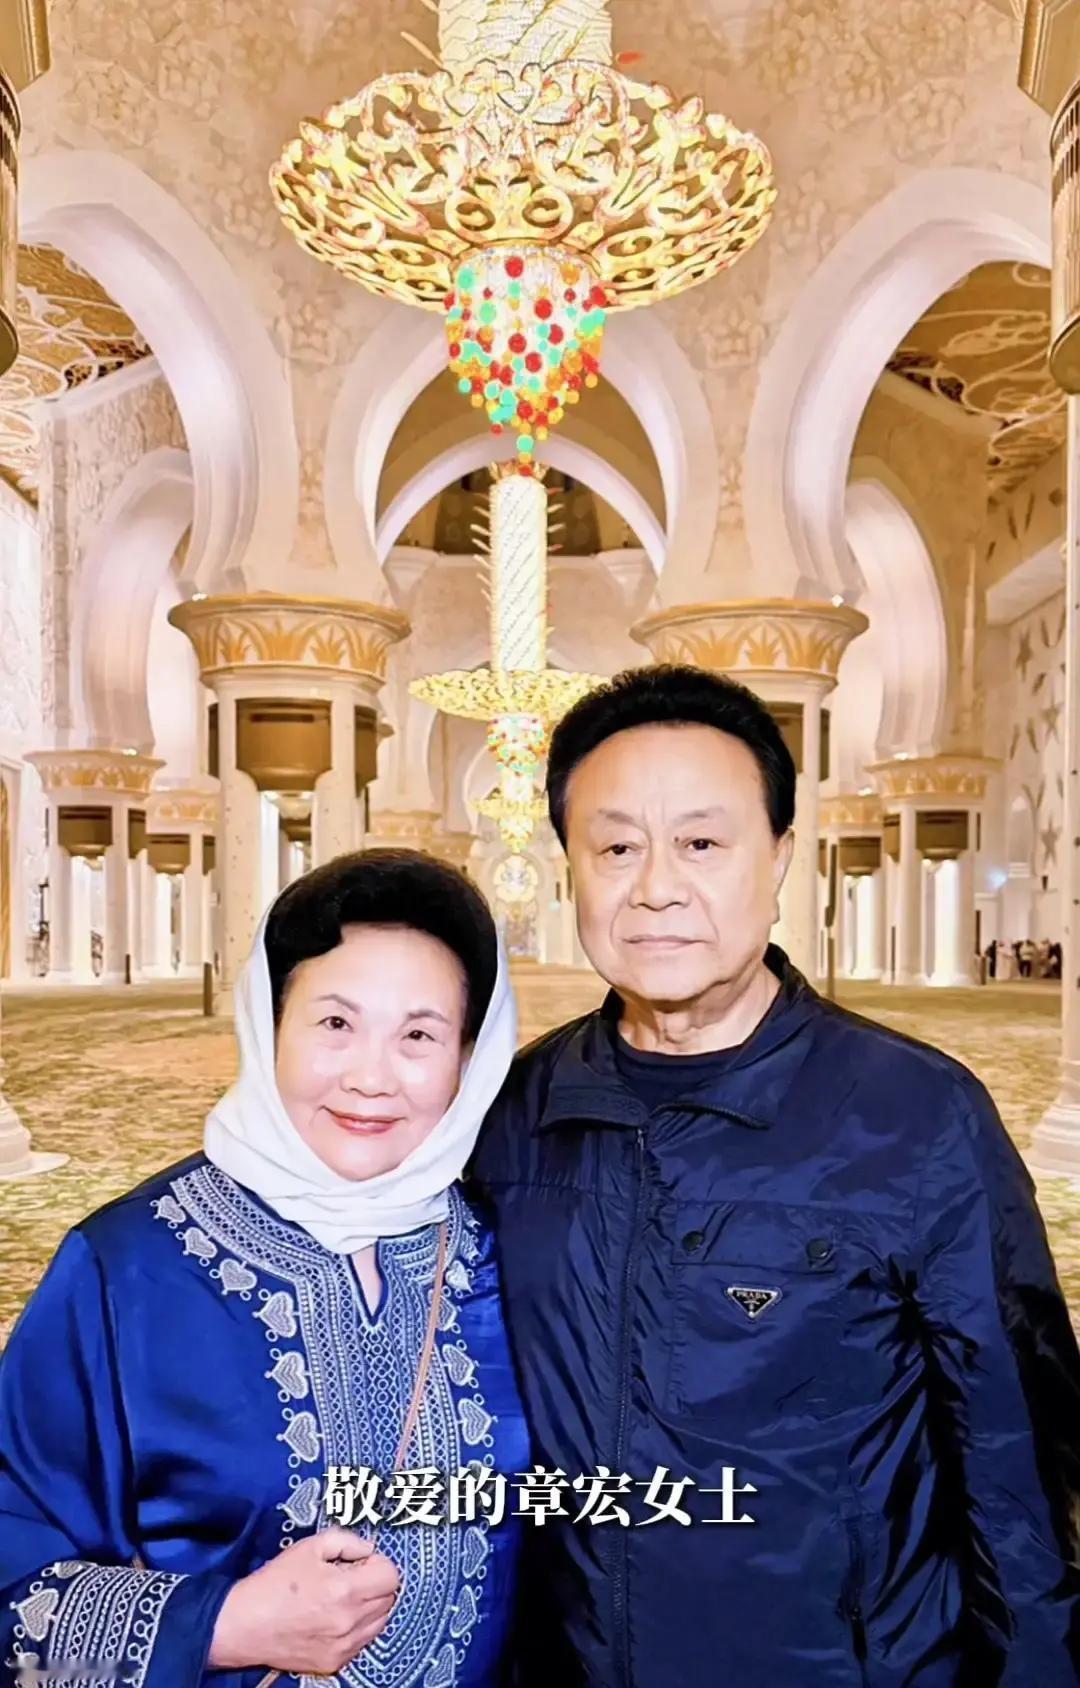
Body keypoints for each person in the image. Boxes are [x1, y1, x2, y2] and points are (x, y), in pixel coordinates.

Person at [471, 665, 1080, 1687]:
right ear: (569, 866)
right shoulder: (513, 1114)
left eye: (702, 844)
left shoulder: (914, 1115)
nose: (656, 887)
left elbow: (1016, 1466)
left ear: (780, 856)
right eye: (616, 847)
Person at [0, 849, 527, 1686]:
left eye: (419, 1036)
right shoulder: (126, 1270)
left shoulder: (507, 1257)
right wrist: (222, 1625)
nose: (371, 1078)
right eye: (335, 1024)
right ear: (268, 1023)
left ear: (471, 1058)